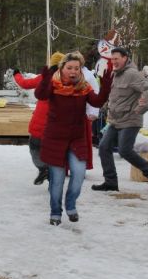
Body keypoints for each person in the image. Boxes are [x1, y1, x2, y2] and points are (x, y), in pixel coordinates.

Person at [35, 51, 113, 225]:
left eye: (76, 68)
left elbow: (97, 102)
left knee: (78, 175)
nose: (73, 71)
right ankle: (55, 212)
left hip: (76, 139)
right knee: (57, 181)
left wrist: (106, 86)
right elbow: (40, 95)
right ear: (62, 68)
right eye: (69, 67)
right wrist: (45, 79)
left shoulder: (84, 87)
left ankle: (70, 204)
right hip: (55, 138)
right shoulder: (53, 85)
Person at [92, 47, 148, 193]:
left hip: (131, 120)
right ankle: (110, 182)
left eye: (117, 59)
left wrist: (142, 109)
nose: (114, 62)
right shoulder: (115, 74)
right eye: (112, 59)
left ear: (125, 58)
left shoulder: (132, 74)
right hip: (116, 120)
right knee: (104, 147)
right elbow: (115, 96)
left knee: (124, 150)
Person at [13, 52, 64, 185]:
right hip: (58, 121)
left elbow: (25, 83)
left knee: (35, 147)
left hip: (41, 120)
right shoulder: (68, 80)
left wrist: (16, 74)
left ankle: (43, 169)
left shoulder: (44, 77)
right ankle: (53, 177)